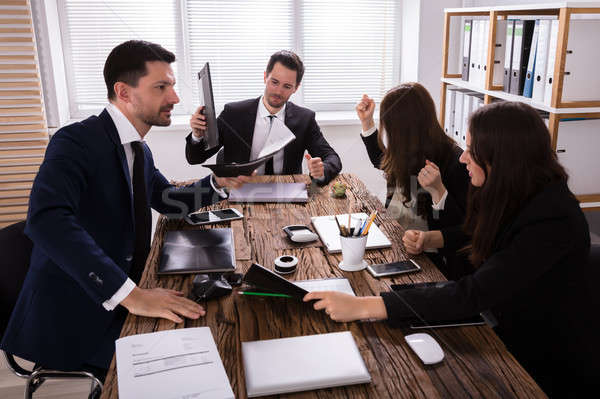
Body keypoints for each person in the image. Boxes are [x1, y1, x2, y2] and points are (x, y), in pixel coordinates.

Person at [305, 101, 595, 397]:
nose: (463, 158)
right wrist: (425, 250)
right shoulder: (510, 190)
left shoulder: (552, 219)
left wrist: (364, 306)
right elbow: (473, 239)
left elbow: (475, 292)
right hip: (497, 320)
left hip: (539, 357)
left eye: (472, 150)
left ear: (502, 156)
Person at [0, 40, 249, 380]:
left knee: (216, 331)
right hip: (77, 315)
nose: (175, 98)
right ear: (124, 92)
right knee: (194, 361)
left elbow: (165, 199)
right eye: (161, 87)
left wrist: (218, 184)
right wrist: (131, 295)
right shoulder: (75, 141)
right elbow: (47, 220)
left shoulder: (138, 149)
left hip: (124, 292)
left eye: (173, 86)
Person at [356, 83, 470, 278]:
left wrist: (439, 192)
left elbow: (465, 229)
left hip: (433, 262)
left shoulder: (455, 161)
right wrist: (367, 123)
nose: (389, 133)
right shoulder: (405, 150)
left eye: (391, 127)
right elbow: (384, 161)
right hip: (395, 240)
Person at [185, 50, 342, 185]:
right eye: (274, 82)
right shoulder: (233, 113)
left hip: (287, 193)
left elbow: (332, 158)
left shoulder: (304, 118)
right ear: (265, 77)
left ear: (296, 88)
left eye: (287, 86)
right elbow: (195, 158)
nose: (278, 92)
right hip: (241, 191)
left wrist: (321, 169)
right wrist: (197, 136)